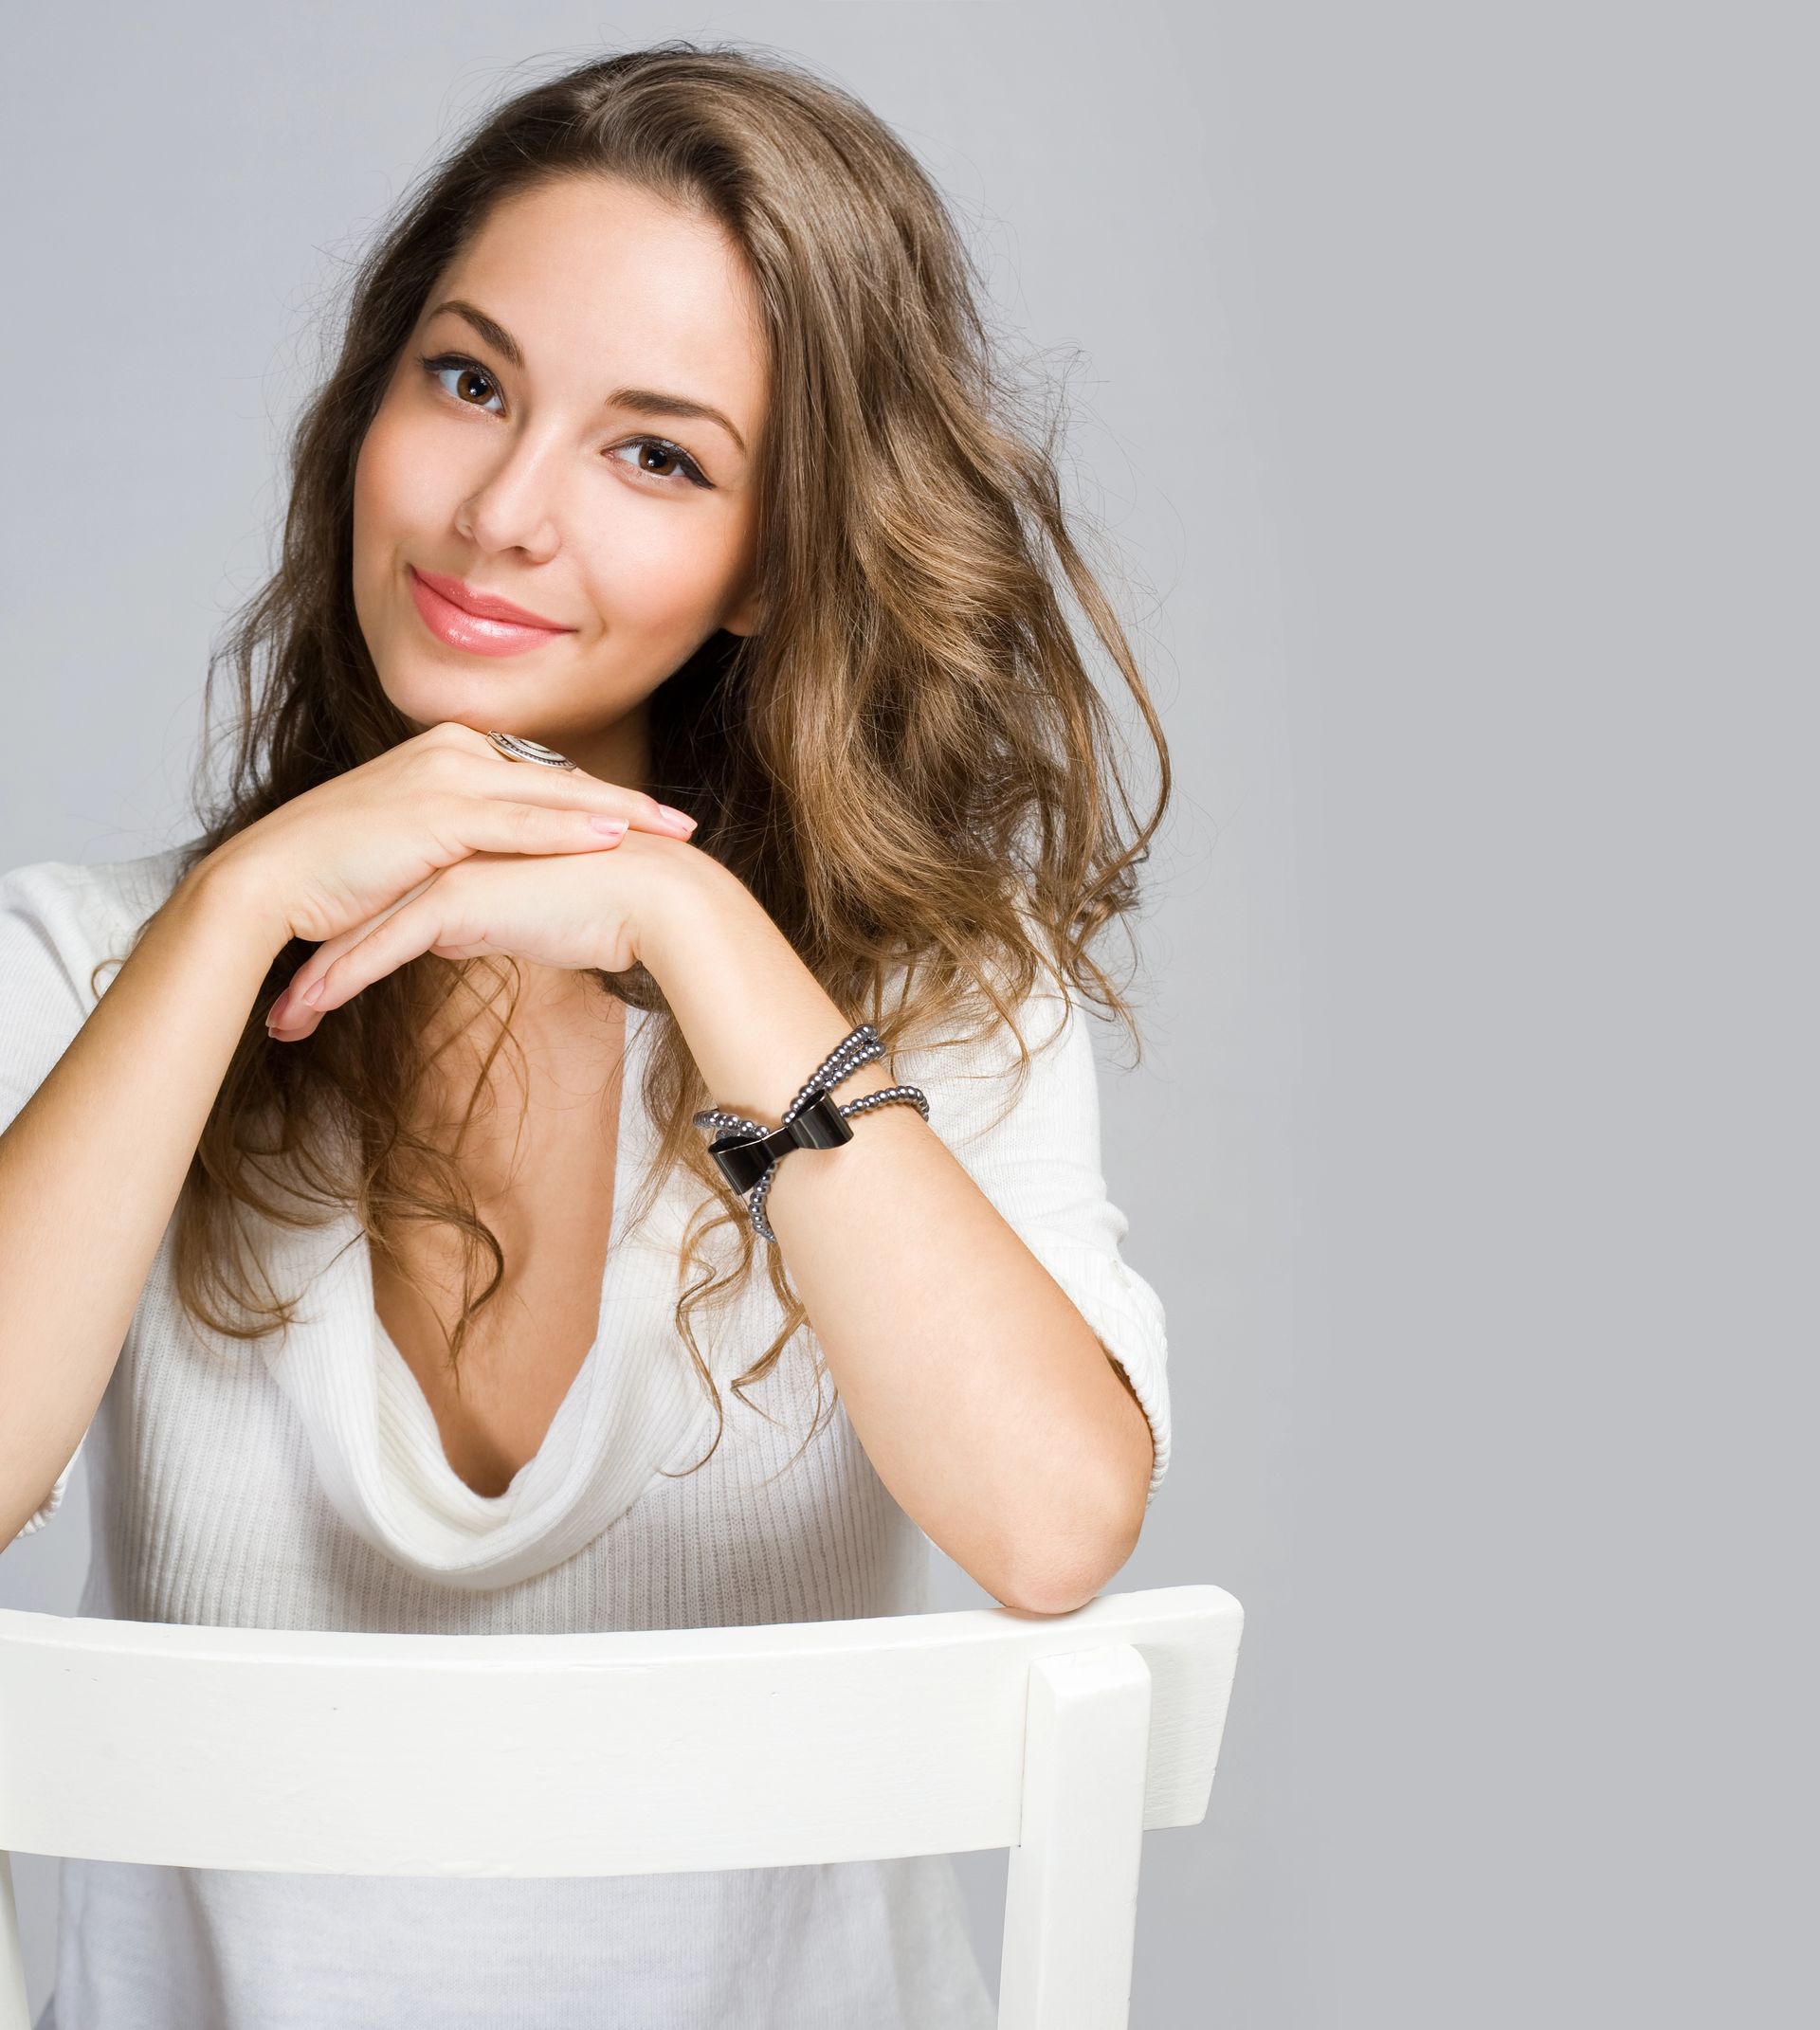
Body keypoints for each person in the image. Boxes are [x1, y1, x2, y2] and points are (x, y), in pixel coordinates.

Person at [0, 40, 1174, 2030]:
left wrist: (692, 924)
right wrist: (226, 917)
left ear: (774, 559)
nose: (501, 513)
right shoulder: (86, 959)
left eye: (657, 455)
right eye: (467, 380)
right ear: (368, 402)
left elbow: (1054, 1526)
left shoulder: (941, 1026)